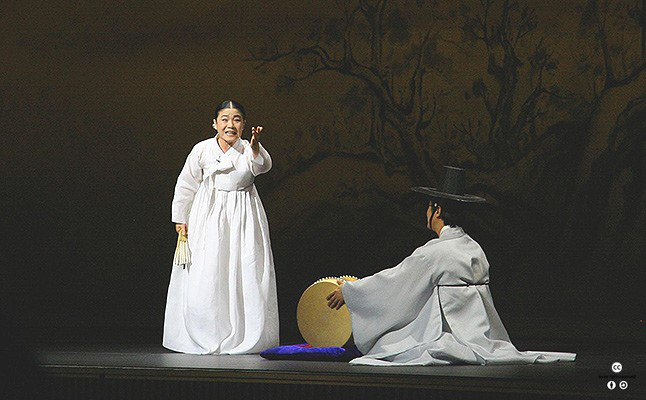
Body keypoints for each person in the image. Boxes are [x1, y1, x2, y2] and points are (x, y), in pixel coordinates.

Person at [326, 166, 576, 366]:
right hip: (482, 333)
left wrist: (351, 291)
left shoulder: (434, 253)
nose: (426, 212)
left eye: (429, 207)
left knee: (388, 347)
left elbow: (396, 281)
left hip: (449, 332)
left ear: (437, 210)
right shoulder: (474, 247)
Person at [163, 100, 279, 354]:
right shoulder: (202, 149)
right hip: (207, 215)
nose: (230, 124)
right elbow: (186, 184)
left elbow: (262, 166)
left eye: (236, 119)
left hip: (243, 216)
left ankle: (243, 336)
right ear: (214, 123)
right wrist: (181, 218)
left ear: (244, 124)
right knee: (207, 272)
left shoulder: (248, 149)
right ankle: (204, 335)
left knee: (244, 270)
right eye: (224, 119)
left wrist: (255, 145)